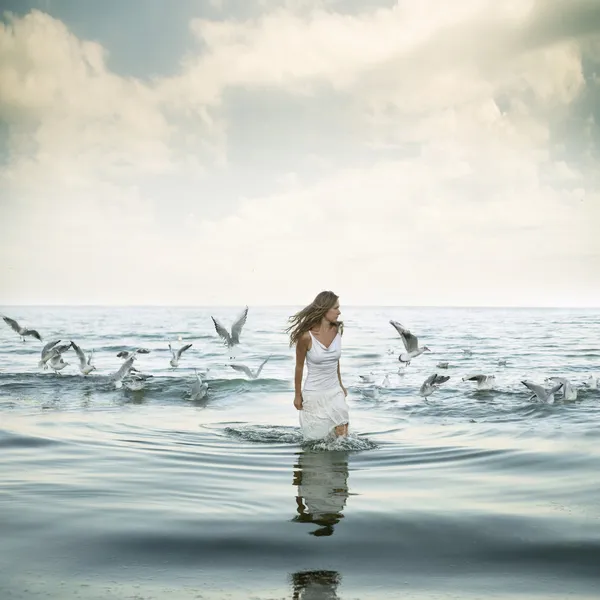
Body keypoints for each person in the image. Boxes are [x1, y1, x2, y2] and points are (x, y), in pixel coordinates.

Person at [286, 291, 349, 440]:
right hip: (314, 394)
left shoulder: (337, 330)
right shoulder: (306, 337)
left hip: (335, 391)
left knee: (343, 434)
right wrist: (297, 395)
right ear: (324, 309)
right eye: (335, 308)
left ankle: (340, 463)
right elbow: (299, 367)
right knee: (317, 440)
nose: (339, 312)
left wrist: (341, 385)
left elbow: (335, 360)